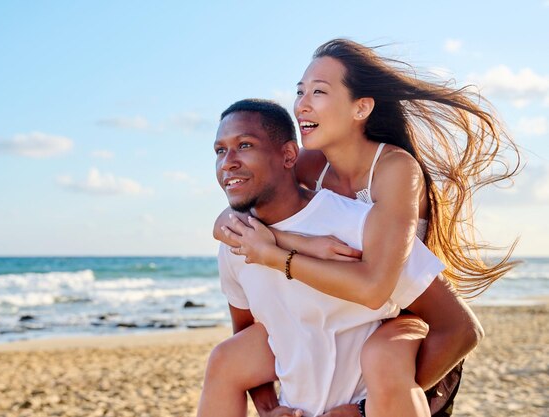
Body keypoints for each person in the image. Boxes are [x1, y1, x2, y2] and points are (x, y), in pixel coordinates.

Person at [199, 40, 520, 417]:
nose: (302, 103)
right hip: (342, 310)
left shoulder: (394, 170)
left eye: (319, 91)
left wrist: (275, 254)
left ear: (361, 107)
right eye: (300, 91)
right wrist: (297, 242)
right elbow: (248, 197)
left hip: (404, 318)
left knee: (382, 358)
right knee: (226, 359)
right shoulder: (308, 163)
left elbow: (375, 287)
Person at [204, 100, 455, 417]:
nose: (228, 162)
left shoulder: (358, 227)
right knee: (221, 359)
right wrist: (269, 407)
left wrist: (367, 408)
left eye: (244, 145)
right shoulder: (235, 241)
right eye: (219, 151)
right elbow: (245, 336)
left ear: (288, 155)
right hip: (300, 409)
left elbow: (456, 327)